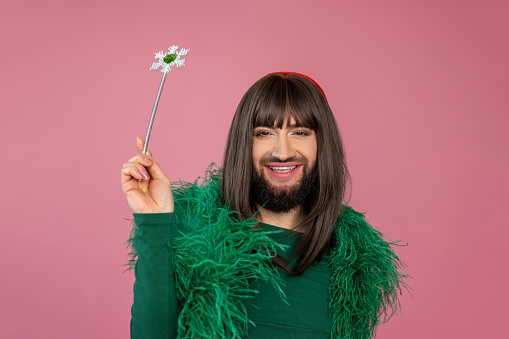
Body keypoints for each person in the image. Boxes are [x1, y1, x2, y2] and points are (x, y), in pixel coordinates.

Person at [121, 72, 407, 339]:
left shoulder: (351, 264)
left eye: (300, 132)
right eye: (264, 133)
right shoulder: (193, 244)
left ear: (322, 144)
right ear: (244, 144)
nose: (282, 153)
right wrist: (154, 224)